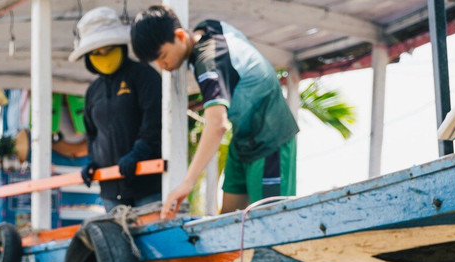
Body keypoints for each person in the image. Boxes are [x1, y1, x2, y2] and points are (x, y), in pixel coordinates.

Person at [131, 6, 298, 219]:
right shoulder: (209, 28)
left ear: (180, 36)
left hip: (271, 138)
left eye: (162, 56)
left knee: (273, 225)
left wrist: (186, 184)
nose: (162, 66)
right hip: (243, 139)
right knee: (229, 221)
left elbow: (217, 125)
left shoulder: (209, 60)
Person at [69, 6, 162, 208]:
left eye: (108, 49)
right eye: (97, 52)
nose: (103, 55)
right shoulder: (93, 91)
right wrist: (93, 161)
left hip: (147, 186)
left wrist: (138, 153)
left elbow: (154, 122)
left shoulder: (144, 76)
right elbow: (92, 133)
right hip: (110, 191)